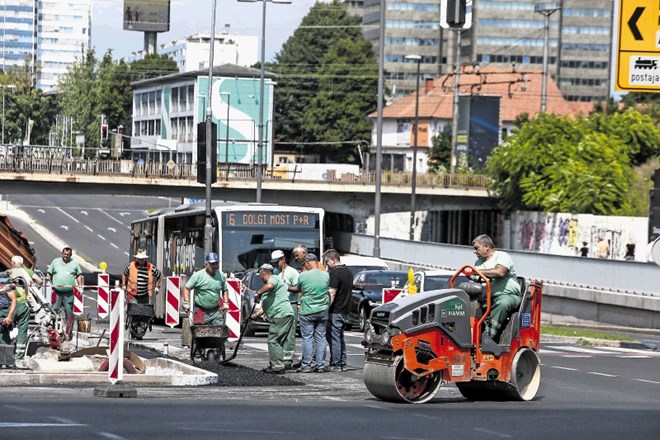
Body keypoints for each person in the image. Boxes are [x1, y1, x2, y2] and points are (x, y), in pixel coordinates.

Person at [472, 234, 521, 341]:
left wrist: (477, 272)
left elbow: (500, 272)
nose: (474, 252)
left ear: (486, 247)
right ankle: (469, 334)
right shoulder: (478, 263)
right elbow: (475, 280)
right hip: (486, 298)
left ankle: (488, 336)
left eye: (477, 248)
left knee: (502, 303)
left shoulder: (502, 256)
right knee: (470, 305)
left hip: (508, 295)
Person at [252, 263, 295, 374]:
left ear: (263, 274)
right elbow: (265, 307)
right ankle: (275, 364)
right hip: (283, 314)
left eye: (260, 276)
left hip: (281, 314)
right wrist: (254, 316)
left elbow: (270, 286)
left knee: (273, 340)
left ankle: (277, 366)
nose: (260, 278)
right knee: (277, 341)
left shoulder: (273, 279)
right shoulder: (272, 284)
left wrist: (258, 293)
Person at [291, 253, 329, 373]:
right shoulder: (326, 275)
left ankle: (306, 365)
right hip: (322, 310)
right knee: (321, 338)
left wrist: (285, 286)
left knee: (307, 338)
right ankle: (320, 365)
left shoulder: (303, 275)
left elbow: (298, 289)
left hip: (307, 310)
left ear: (307, 263)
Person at [0, 256, 42, 360]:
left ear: (13, 263)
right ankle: (19, 355)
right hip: (25, 305)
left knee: (5, 327)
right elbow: (40, 281)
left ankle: (6, 352)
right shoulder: (28, 271)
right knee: (22, 329)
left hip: (14, 304)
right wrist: (32, 291)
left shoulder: (10, 272)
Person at [322, 249, 353, 372]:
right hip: (345, 309)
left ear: (333, 259)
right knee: (340, 337)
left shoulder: (335, 273)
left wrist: (326, 308)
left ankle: (335, 364)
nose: (327, 265)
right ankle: (342, 362)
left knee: (334, 337)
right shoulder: (348, 272)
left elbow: (332, 293)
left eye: (327, 261)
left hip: (336, 310)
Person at [270, 249, 300, 370]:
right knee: (277, 332)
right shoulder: (275, 273)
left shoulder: (292, 272)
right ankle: (279, 356)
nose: (275, 265)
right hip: (277, 305)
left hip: (290, 303)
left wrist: (285, 287)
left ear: (283, 259)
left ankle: (288, 358)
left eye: (277, 262)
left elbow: (298, 288)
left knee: (290, 333)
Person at [182, 252, 229, 326]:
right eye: (212, 264)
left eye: (216, 263)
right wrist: (186, 302)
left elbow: (225, 290)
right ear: (206, 264)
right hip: (201, 311)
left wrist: (226, 303)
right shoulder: (198, 276)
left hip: (215, 311)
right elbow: (187, 288)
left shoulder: (221, 276)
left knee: (219, 331)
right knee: (200, 333)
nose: (215, 266)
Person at [46, 246, 84, 323]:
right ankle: (53, 331)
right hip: (56, 292)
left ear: (70, 255)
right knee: (54, 311)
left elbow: (79, 276)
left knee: (69, 312)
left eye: (68, 254)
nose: (66, 256)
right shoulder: (55, 262)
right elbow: (49, 274)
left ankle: (68, 332)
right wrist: (48, 284)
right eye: (65, 254)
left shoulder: (74, 263)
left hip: (69, 293)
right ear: (62, 254)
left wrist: (80, 287)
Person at [0, 280, 17, 346]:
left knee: (2, 337)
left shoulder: (5, 284)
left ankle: (5, 354)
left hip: (2, 313)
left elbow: (14, 300)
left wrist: (9, 316)